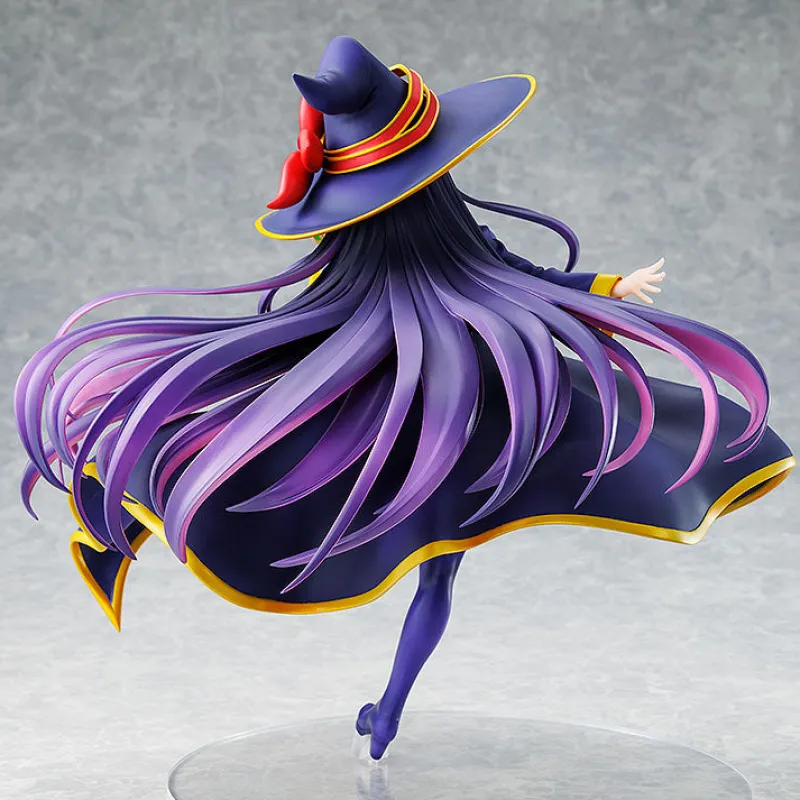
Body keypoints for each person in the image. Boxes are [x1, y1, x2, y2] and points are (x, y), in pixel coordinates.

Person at [15, 36, 794, 760]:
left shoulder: (395, 250)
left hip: (453, 404)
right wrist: (604, 287)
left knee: (374, 518)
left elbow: (505, 269)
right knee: (429, 557)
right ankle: (384, 706)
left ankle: (378, 705)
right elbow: (511, 270)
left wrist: (605, 286)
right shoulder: (416, 251)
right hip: (453, 408)